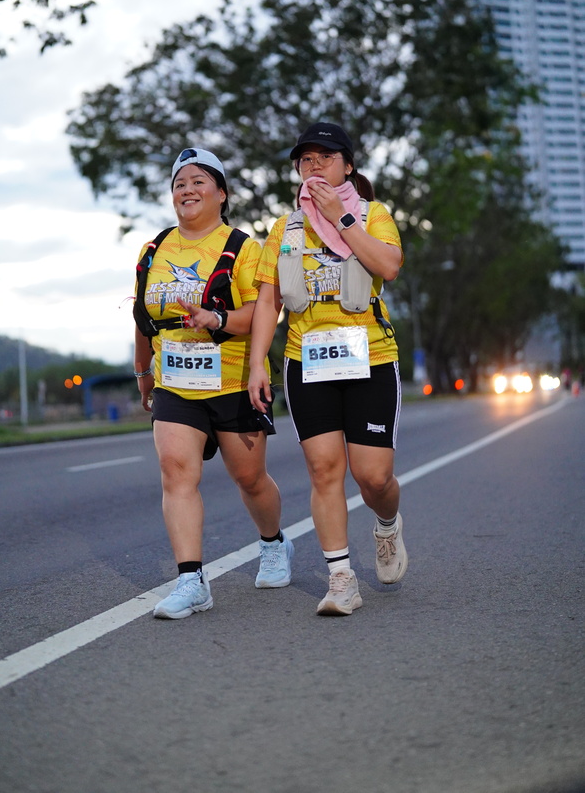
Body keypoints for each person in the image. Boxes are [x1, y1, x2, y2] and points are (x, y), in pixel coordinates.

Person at [248, 122, 406, 616]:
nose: (314, 166)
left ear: (348, 166)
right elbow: (268, 300)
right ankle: (341, 579)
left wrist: (341, 217)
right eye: (306, 159)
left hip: (370, 358)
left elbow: (389, 265)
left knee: (373, 477)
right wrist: (257, 364)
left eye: (326, 157)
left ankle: (387, 525)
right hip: (307, 361)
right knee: (323, 470)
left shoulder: (373, 214)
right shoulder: (285, 228)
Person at [134, 147, 293, 619]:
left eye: (198, 181)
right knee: (175, 471)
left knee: (249, 478)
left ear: (221, 193)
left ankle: (273, 542)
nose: (187, 190)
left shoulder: (244, 248)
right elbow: (143, 318)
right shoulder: (153, 251)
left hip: (233, 381)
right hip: (175, 382)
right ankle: (191, 580)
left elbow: (261, 314)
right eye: (179, 184)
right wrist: (143, 374)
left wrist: (217, 317)